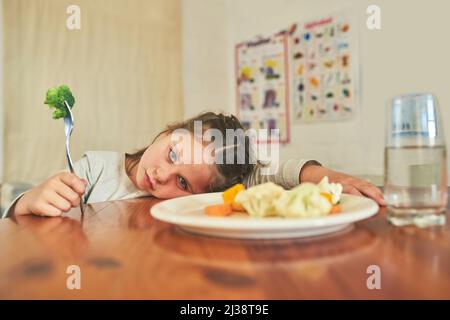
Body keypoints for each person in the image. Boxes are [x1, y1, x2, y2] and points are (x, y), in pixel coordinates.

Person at [2, 112, 385, 219]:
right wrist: (27, 201)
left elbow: (272, 172)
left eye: (183, 184)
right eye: (172, 154)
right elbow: (22, 218)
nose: (162, 175)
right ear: (168, 132)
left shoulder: (212, 193)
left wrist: (328, 177)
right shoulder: (94, 168)